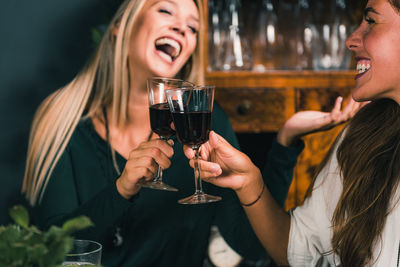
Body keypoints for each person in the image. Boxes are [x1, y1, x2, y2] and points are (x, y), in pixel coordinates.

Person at [21, 0, 360, 266]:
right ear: (120, 26)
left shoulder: (204, 127)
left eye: (193, 27)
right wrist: (121, 190)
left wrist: (285, 141)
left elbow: (252, 246)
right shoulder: (62, 119)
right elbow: (51, 252)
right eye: (166, 9)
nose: (181, 29)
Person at [184, 0, 400, 266]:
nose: (351, 40)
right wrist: (249, 181)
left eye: (371, 21)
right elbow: (301, 252)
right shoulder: (362, 136)